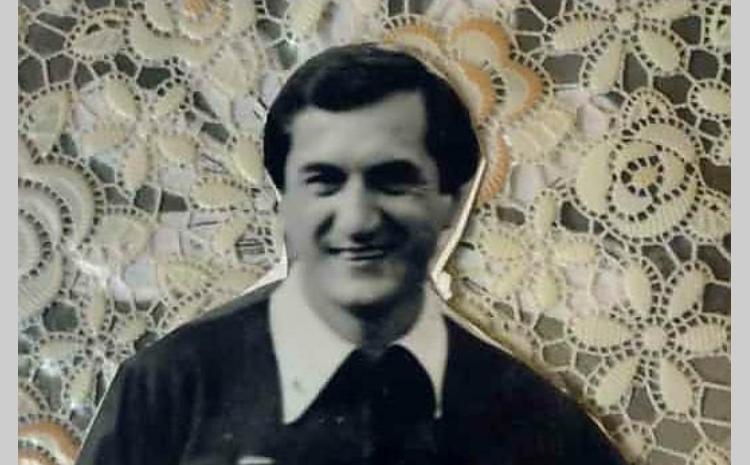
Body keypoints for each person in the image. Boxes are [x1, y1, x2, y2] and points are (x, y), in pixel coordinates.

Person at [75, 44, 626, 465]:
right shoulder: (169, 388)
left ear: (447, 204)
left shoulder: (531, 420)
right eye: (324, 180)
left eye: (393, 181)